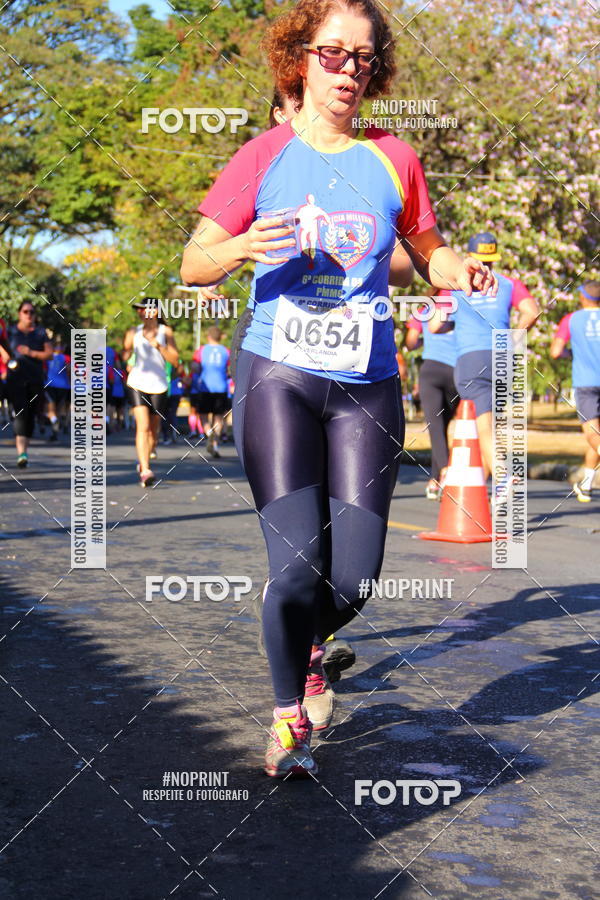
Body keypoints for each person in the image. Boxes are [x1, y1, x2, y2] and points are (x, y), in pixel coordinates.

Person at [181, 0, 495, 778]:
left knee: (353, 578)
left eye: (363, 56)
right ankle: (289, 716)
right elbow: (193, 263)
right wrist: (240, 247)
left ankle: (312, 645)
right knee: (296, 567)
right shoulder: (262, 156)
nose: (348, 69)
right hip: (278, 376)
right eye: (332, 53)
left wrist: (458, 269)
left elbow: (429, 249)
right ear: (301, 57)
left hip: (366, 386)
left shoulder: (394, 158)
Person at [429, 232, 539, 478]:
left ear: (470, 256)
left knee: (484, 425)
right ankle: (492, 489)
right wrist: (512, 337)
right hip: (503, 358)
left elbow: (435, 325)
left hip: (472, 359)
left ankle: (503, 478)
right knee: (492, 422)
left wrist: (455, 324)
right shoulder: (509, 284)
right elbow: (532, 312)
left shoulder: (455, 285)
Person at [550, 281, 600, 502]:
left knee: (593, 434)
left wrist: (572, 353)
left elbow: (555, 351)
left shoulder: (571, 319)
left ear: (582, 297)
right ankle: (586, 486)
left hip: (586, 383)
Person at [122, 298, 179, 487]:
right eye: (138, 309)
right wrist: (126, 354)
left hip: (159, 385)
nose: (140, 312)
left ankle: (148, 452)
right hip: (137, 382)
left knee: (153, 431)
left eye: (143, 308)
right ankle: (145, 470)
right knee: (143, 426)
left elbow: (175, 360)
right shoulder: (133, 331)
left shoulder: (166, 332)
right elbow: (125, 353)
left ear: (155, 311)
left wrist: (159, 346)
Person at [405, 298, 458, 499]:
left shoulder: (425, 308)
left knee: (435, 426)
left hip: (431, 371)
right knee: (442, 425)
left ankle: (444, 472)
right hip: (456, 371)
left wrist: (423, 342)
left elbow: (410, 341)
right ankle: (435, 480)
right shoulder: (463, 305)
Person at [4, 302, 53, 467]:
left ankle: (24, 449)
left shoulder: (40, 333)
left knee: (31, 414)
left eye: (31, 312)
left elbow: (49, 354)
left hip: (35, 379)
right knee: (21, 412)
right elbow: (1, 343)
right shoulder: (11, 331)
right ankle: (21, 453)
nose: (29, 315)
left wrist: (31, 353)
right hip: (15, 378)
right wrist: (4, 355)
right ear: (19, 313)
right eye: (25, 311)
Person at [191, 327, 230, 458]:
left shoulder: (201, 350)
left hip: (205, 387)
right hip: (221, 387)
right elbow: (230, 369)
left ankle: (209, 433)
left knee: (203, 415)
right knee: (218, 417)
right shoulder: (226, 351)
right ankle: (215, 444)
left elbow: (195, 367)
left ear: (208, 337)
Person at [45, 338, 71, 441]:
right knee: (59, 409)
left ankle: (54, 421)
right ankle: (55, 430)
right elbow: (69, 370)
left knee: (50, 409)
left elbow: (43, 369)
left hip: (50, 384)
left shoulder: (48, 357)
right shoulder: (67, 358)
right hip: (63, 386)